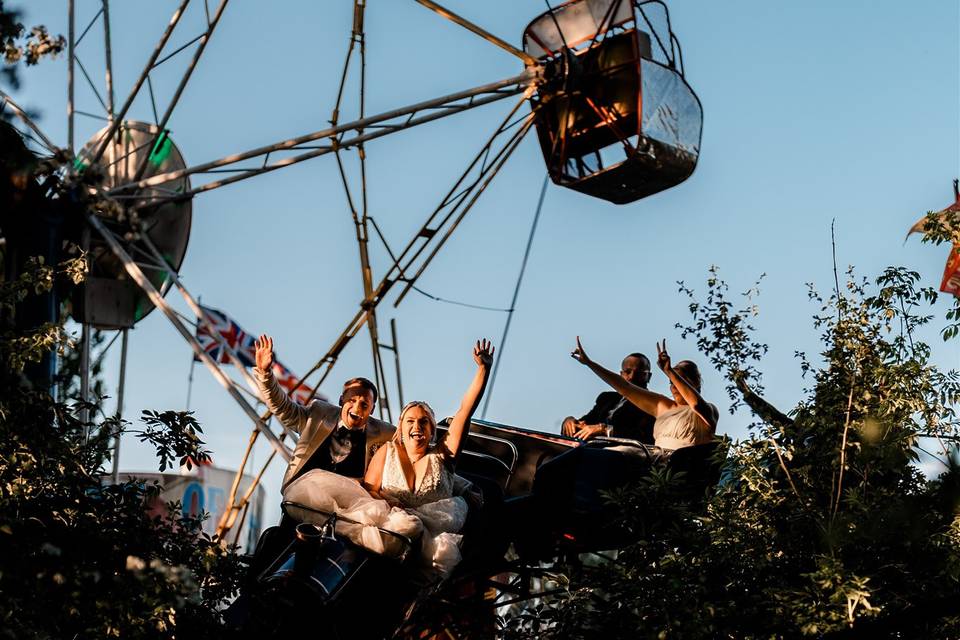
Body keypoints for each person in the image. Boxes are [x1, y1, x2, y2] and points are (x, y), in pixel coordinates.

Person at [283, 339, 495, 578]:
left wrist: (483, 370)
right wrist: (392, 506)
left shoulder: (444, 456)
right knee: (372, 537)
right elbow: (370, 489)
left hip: (428, 540)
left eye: (424, 421)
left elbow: (465, 411)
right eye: (410, 421)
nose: (417, 426)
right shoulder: (388, 451)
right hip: (389, 528)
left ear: (433, 430)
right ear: (400, 429)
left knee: (413, 536)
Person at [253, 334, 395, 492]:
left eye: (364, 404)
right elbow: (283, 407)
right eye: (352, 401)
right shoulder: (318, 414)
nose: (357, 408)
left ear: (372, 410)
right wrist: (265, 374)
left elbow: (412, 438)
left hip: (348, 508)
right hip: (302, 499)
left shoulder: (384, 433)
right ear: (341, 401)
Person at [570, 337, 717, 453]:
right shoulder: (664, 406)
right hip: (654, 463)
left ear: (695, 383)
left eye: (680, 382)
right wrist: (589, 363)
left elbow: (696, 404)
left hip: (681, 466)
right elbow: (625, 387)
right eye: (671, 382)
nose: (675, 387)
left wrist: (669, 372)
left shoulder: (708, 410)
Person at [561, 352, 656, 443]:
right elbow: (587, 421)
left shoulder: (654, 405)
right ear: (621, 375)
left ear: (649, 377)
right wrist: (570, 421)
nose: (631, 377)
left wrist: (605, 430)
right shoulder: (606, 398)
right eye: (627, 372)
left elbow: (643, 437)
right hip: (588, 447)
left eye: (638, 373)